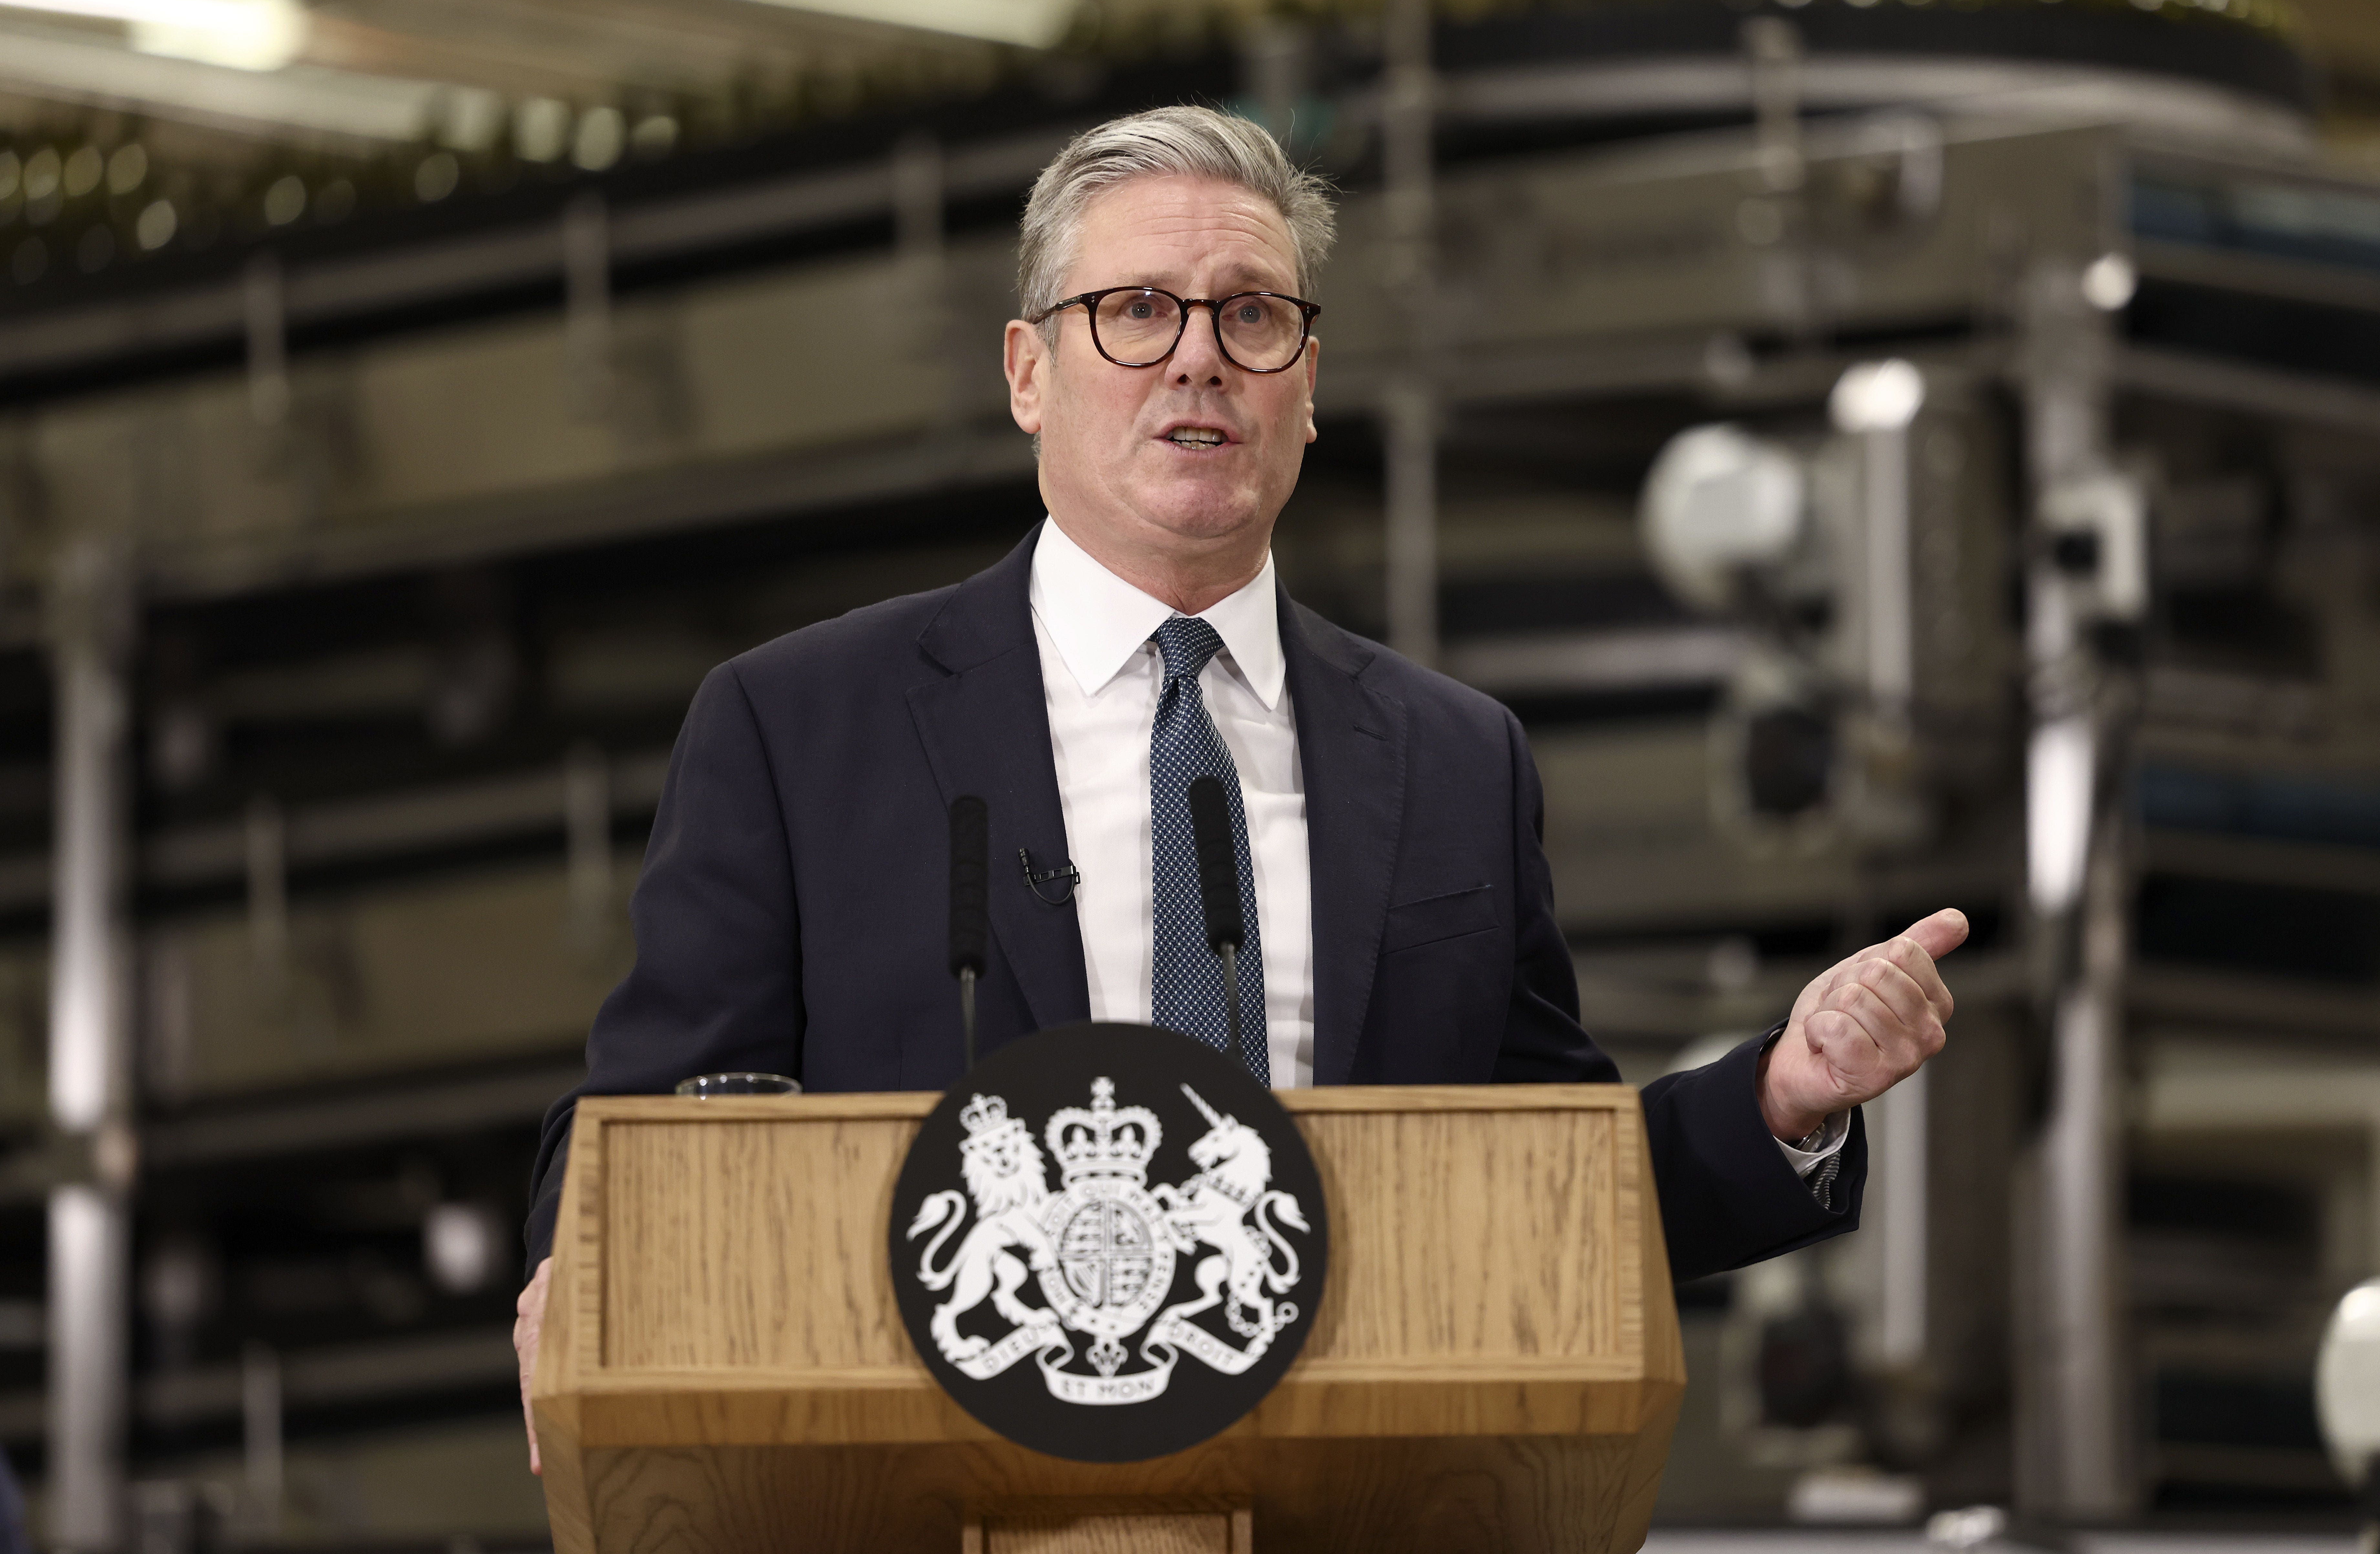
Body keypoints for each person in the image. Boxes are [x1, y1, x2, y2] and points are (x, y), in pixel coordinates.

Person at [511, 106, 1962, 1470]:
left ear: (1307, 389)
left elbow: (1543, 1188)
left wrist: (1779, 1095)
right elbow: (649, 1119)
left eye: (1252, 315)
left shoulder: (1455, 756)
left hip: (1364, 1504)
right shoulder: (800, 725)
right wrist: (590, 1255)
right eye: (1138, 310)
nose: (1198, 357)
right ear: (1028, 372)